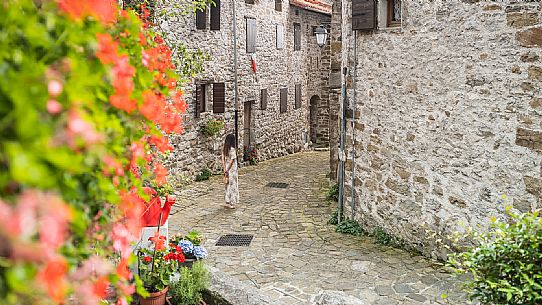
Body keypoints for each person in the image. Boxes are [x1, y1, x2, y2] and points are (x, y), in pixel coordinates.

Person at [222, 133, 239, 209]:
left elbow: (223, 159)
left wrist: (224, 168)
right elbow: (232, 160)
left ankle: (227, 201)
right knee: (232, 185)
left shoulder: (225, 149)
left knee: (227, 185)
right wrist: (228, 169)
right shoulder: (232, 149)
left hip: (226, 167)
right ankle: (232, 203)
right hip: (232, 169)